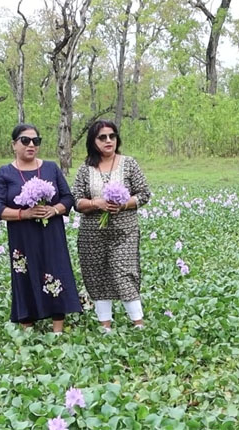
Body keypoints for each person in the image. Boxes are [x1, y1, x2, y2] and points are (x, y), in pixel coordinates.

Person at [0, 124, 83, 333]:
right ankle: (27, 327)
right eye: (25, 140)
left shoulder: (51, 168)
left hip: (51, 234)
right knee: (24, 274)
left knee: (55, 271)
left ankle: (57, 329)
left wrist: (54, 210)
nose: (31, 145)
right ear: (14, 144)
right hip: (22, 237)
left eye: (36, 141)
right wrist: (25, 214)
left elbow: (68, 198)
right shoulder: (5, 173)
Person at [72, 120, 151, 333]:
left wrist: (124, 204)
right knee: (96, 274)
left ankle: (138, 323)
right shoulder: (85, 168)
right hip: (92, 232)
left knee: (124, 272)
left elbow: (144, 194)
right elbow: (77, 201)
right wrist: (95, 203)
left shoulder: (129, 164)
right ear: (93, 141)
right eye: (102, 137)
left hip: (124, 231)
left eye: (112, 136)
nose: (109, 141)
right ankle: (104, 325)